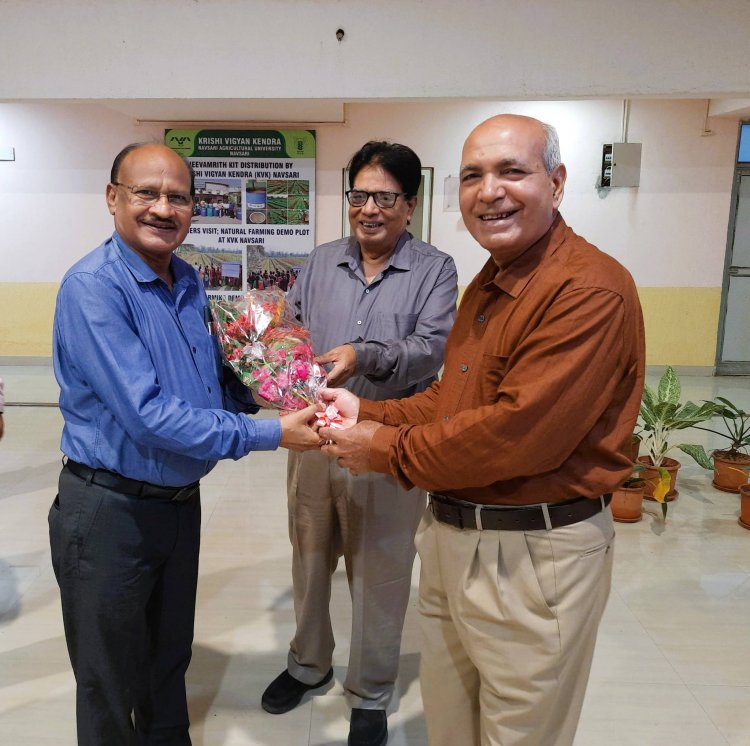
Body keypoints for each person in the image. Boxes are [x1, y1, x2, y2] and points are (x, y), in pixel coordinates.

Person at [319, 115, 645, 746]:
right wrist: (372, 413)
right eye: (473, 175)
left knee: (517, 733)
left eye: (511, 171)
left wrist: (381, 447)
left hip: (533, 557)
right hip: (451, 539)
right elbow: (453, 400)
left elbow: (517, 432)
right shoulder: (490, 282)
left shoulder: (588, 289)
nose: (489, 190)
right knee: (450, 729)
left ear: (556, 182)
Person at [49, 142, 320, 746]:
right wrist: (272, 432)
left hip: (176, 505)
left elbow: (206, 386)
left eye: (178, 196)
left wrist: (276, 377)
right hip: (108, 512)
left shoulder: (189, 279)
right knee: (109, 680)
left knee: (169, 658)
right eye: (147, 193)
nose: (162, 208)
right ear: (113, 198)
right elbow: (149, 416)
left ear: (194, 207)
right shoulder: (94, 289)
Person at [261, 141, 458, 746]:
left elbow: (431, 348)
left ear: (410, 204)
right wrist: (272, 361)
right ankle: (308, 664)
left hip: (387, 444)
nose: (369, 209)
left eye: (384, 197)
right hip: (315, 441)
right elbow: (291, 329)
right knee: (310, 558)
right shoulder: (320, 262)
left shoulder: (435, 270)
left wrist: (363, 355)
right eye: (359, 196)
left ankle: (370, 690)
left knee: (381, 573)